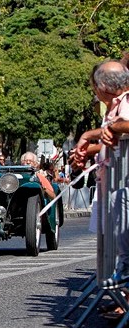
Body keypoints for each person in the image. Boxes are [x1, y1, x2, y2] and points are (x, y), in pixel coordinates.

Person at [71, 60, 129, 290]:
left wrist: (113, 129)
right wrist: (89, 140)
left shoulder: (125, 101)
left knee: (121, 200)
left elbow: (120, 127)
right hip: (111, 180)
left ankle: (123, 272)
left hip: (121, 180)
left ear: (102, 86)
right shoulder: (117, 103)